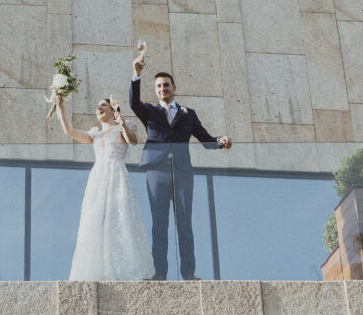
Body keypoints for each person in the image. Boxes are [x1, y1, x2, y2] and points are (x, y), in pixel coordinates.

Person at [130, 42, 232, 280]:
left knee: (184, 224)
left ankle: (188, 273)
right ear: (155, 91)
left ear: (174, 87)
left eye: (166, 85)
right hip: (156, 172)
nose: (163, 88)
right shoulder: (149, 112)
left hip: (183, 172)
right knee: (159, 225)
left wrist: (221, 140)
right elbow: (133, 103)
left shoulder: (189, 113)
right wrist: (137, 74)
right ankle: (160, 273)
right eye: (158, 86)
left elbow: (205, 139)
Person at [55, 94, 152, 281]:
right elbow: (70, 131)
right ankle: (98, 268)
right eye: (97, 106)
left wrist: (121, 121)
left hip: (116, 173)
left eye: (103, 106)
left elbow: (132, 140)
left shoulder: (124, 126)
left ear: (112, 109)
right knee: (95, 219)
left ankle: (123, 267)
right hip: (98, 177)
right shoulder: (95, 133)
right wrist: (61, 106)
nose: (99, 109)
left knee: (119, 218)